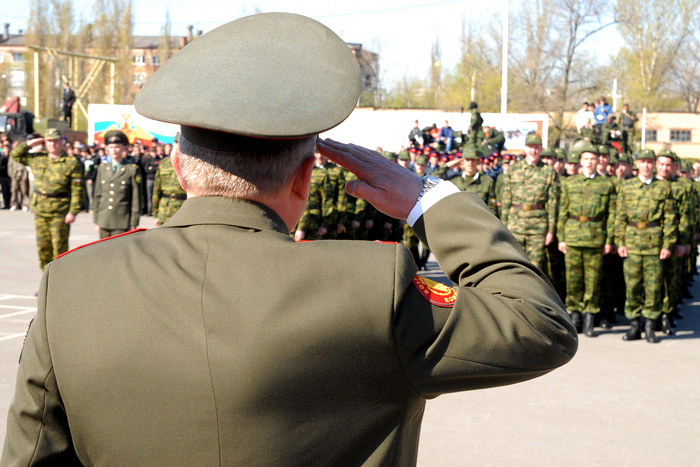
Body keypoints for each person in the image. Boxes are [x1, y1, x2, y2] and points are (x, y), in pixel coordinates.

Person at [2, 13, 577, 465]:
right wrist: (430, 199)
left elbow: (31, 455)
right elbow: (540, 326)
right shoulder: (371, 289)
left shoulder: (71, 285)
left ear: (179, 167)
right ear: (305, 177)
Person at [615, 149, 677, 343]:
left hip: (654, 244)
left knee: (653, 287)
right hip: (632, 243)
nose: (646, 165)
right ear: (637, 164)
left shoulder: (663, 188)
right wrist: (620, 241)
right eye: (643, 162)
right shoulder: (627, 187)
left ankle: (650, 326)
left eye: (650, 162)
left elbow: (670, 219)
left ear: (654, 165)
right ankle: (634, 326)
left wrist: (668, 244)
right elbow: (620, 216)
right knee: (632, 286)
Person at [557, 140, 617, 336]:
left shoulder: (606, 184)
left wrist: (609, 241)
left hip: (595, 237)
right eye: (586, 158)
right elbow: (563, 211)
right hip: (573, 236)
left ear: (598, 161)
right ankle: (574, 316)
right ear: (580, 161)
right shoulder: (570, 182)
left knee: (593, 280)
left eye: (593, 159)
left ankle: (590, 317)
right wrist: (562, 237)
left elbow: (611, 215)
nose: (589, 162)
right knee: (573, 280)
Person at [9, 128, 84, 270]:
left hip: (60, 212)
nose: (53, 144)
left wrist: (73, 212)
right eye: (49, 141)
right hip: (40, 210)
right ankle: (46, 283)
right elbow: (15, 155)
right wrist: (31, 143)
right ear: (44, 143)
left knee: (59, 250)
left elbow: (77, 189)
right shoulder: (38, 158)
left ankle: (60, 284)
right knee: (43, 249)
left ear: (62, 142)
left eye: (56, 140)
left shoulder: (71, 162)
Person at [500, 133, 560, 270]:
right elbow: (506, 200)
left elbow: (553, 203)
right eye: (530, 147)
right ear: (525, 149)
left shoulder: (549, 171)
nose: (533, 151)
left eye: (536, 147)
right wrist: (503, 226)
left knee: (535, 268)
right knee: (514, 266)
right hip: (515, 225)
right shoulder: (514, 169)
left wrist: (550, 230)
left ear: (541, 149)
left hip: (538, 227)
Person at [93, 130, 143, 238]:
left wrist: (134, 221)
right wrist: (97, 219)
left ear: (123, 148)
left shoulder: (132, 169)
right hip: (104, 219)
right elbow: (98, 195)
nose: (114, 150)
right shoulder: (102, 169)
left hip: (122, 220)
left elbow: (136, 198)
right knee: (103, 252)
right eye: (111, 147)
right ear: (107, 149)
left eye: (117, 147)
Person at [152, 134, 187, 226]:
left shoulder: (190, 164)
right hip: (165, 209)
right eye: (176, 144)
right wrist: (155, 213)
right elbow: (157, 189)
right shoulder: (163, 163)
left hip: (183, 208)